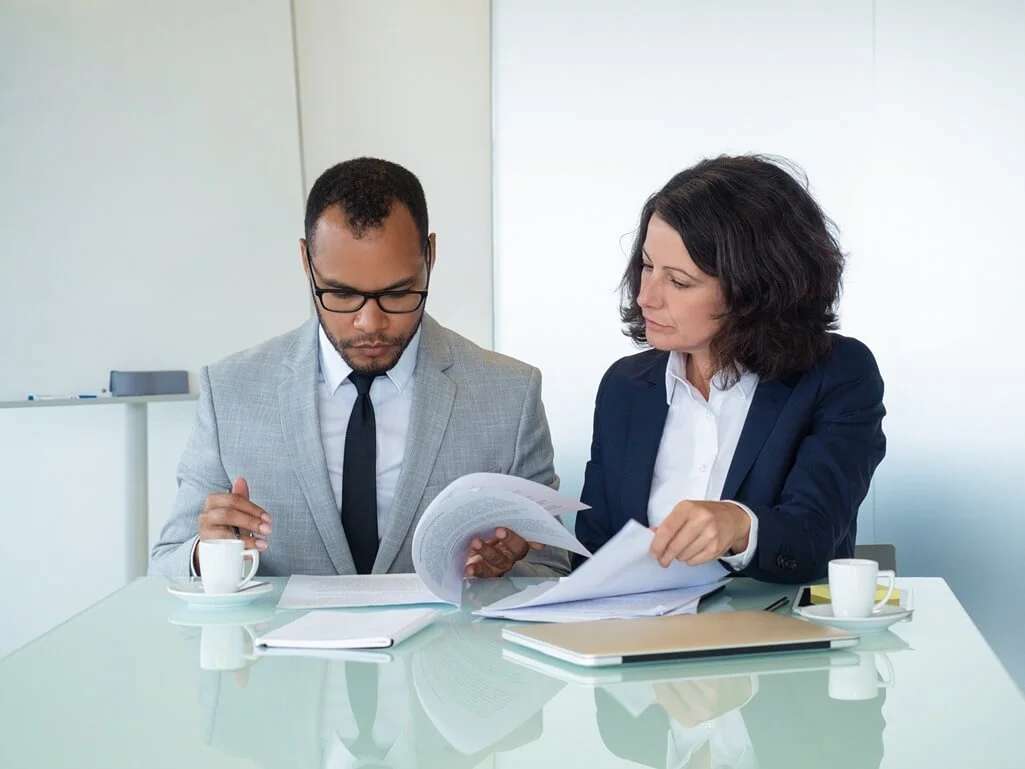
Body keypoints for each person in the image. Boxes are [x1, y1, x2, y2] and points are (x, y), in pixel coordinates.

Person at [151, 157, 569, 579]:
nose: (370, 323)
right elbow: (166, 562)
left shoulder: (511, 394)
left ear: (431, 255)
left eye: (398, 293)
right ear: (306, 261)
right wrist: (206, 554)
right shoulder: (230, 391)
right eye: (341, 294)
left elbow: (551, 566)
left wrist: (506, 572)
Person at [575, 155, 886, 584]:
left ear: (754, 290)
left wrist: (738, 526)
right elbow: (594, 553)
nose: (646, 296)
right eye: (647, 266)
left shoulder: (838, 375)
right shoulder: (625, 386)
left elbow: (813, 541)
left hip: (772, 641)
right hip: (639, 638)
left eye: (679, 281)